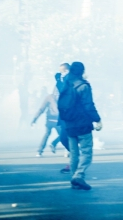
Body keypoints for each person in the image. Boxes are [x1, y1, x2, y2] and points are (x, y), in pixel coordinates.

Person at [59, 62, 102, 190]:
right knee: (87, 151)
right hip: (83, 124)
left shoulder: (66, 84)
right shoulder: (83, 86)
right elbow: (88, 105)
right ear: (82, 71)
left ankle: (74, 178)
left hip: (69, 124)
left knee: (74, 153)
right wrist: (97, 119)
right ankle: (78, 175)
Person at [32, 86, 62, 157]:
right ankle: (54, 144)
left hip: (49, 120)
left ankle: (39, 151)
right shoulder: (63, 98)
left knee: (47, 134)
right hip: (57, 121)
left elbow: (41, 109)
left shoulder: (49, 97)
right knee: (63, 135)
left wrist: (34, 119)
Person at [56, 63, 71, 173]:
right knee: (64, 138)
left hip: (70, 116)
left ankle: (73, 163)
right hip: (64, 116)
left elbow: (63, 91)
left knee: (67, 138)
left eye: (63, 71)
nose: (62, 73)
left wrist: (59, 80)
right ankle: (74, 160)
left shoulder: (70, 80)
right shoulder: (64, 80)